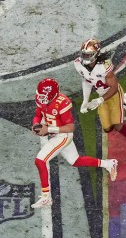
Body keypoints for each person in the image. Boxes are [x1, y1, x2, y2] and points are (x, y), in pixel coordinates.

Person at [31, 77, 118, 208]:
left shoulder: (62, 103)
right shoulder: (44, 100)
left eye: (44, 96)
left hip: (63, 136)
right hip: (55, 134)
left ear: (53, 95)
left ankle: (46, 197)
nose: (41, 99)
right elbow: (38, 114)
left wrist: (48, 129)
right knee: (75, 161)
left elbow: (71, 127)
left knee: (40, 160)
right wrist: (35, 124)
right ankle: (109, 164)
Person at [74, 38, 126, 157]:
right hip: (102, 96)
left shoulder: (104, 66)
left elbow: (114, 87)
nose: (85, 57)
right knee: (107, 129)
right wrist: (85, 101)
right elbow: (86, 81)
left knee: (118, 126)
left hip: (114, 94)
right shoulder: (78, 63)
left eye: (88, 55)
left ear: (95, 54)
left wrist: (100, 100)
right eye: (84, 54)